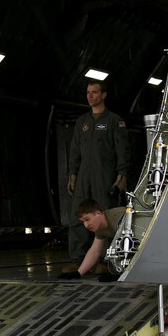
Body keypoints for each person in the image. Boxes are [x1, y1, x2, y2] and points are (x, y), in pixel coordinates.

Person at [64, 80, 130, 259]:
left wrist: (121, 175)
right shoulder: (82, 122)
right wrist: (72, 174)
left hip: (105, 174)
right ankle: (77, 259)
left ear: (103, 95)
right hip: (84, 175)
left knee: (105, 216)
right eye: (88, 92)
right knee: (79, 215)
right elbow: (75, 150)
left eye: (94, 92)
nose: (90, 96)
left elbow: (122, 150)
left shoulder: (114, 121)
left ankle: (105, 260)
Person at [65, 199, 127, 277]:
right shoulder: (100, 227)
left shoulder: (117, 217)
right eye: (83, 222)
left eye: (87, 219)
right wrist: (78, 273)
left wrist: (120, 272)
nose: (86, 225)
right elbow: (95, 251)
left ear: (98, 213)